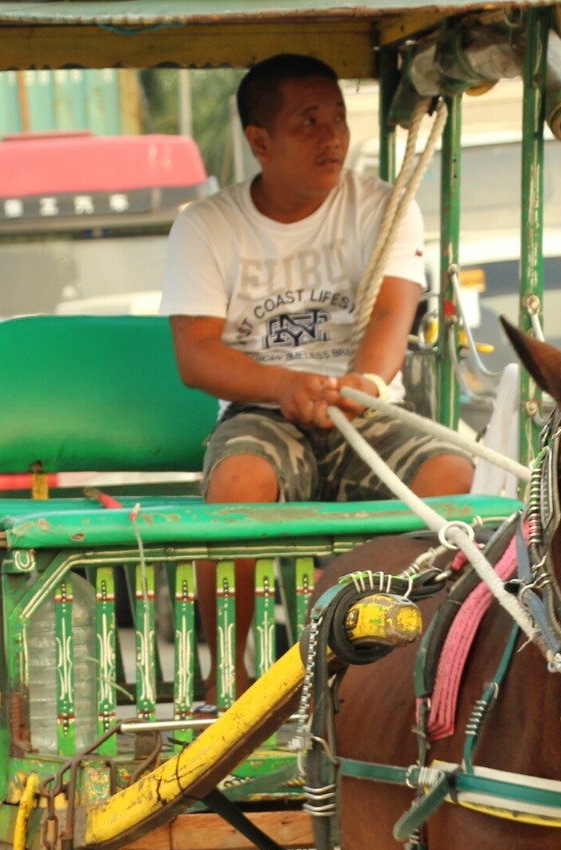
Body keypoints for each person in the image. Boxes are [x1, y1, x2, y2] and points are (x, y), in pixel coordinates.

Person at [163, 53, 475, 509]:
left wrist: (363, 386)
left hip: (367, 411)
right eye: (309, 122)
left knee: (451, 475)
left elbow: (392, 312)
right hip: (262, 415)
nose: (332, 137)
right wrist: (284, 387)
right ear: (260, 142)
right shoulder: (205, 225)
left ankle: (365, 582)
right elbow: (196, 355)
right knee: (239, 482)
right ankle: (233, 586)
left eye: (338, 118)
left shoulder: (387, 208)